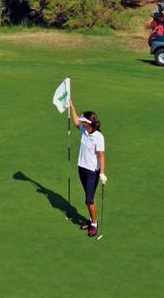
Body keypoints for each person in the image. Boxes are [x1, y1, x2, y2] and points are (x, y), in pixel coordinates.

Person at [70, 99, 107, 237]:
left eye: (83, 121)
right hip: (82, 168)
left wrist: (102, 174)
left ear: (89, 123)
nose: (81, 123)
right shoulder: (84, 131)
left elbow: (101, 156)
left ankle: (94, 224)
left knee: (89, 199)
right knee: (88, 197)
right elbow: (75, 123)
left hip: (92, 171)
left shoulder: (98, 137)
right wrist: (72, 108)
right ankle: (91, 219)